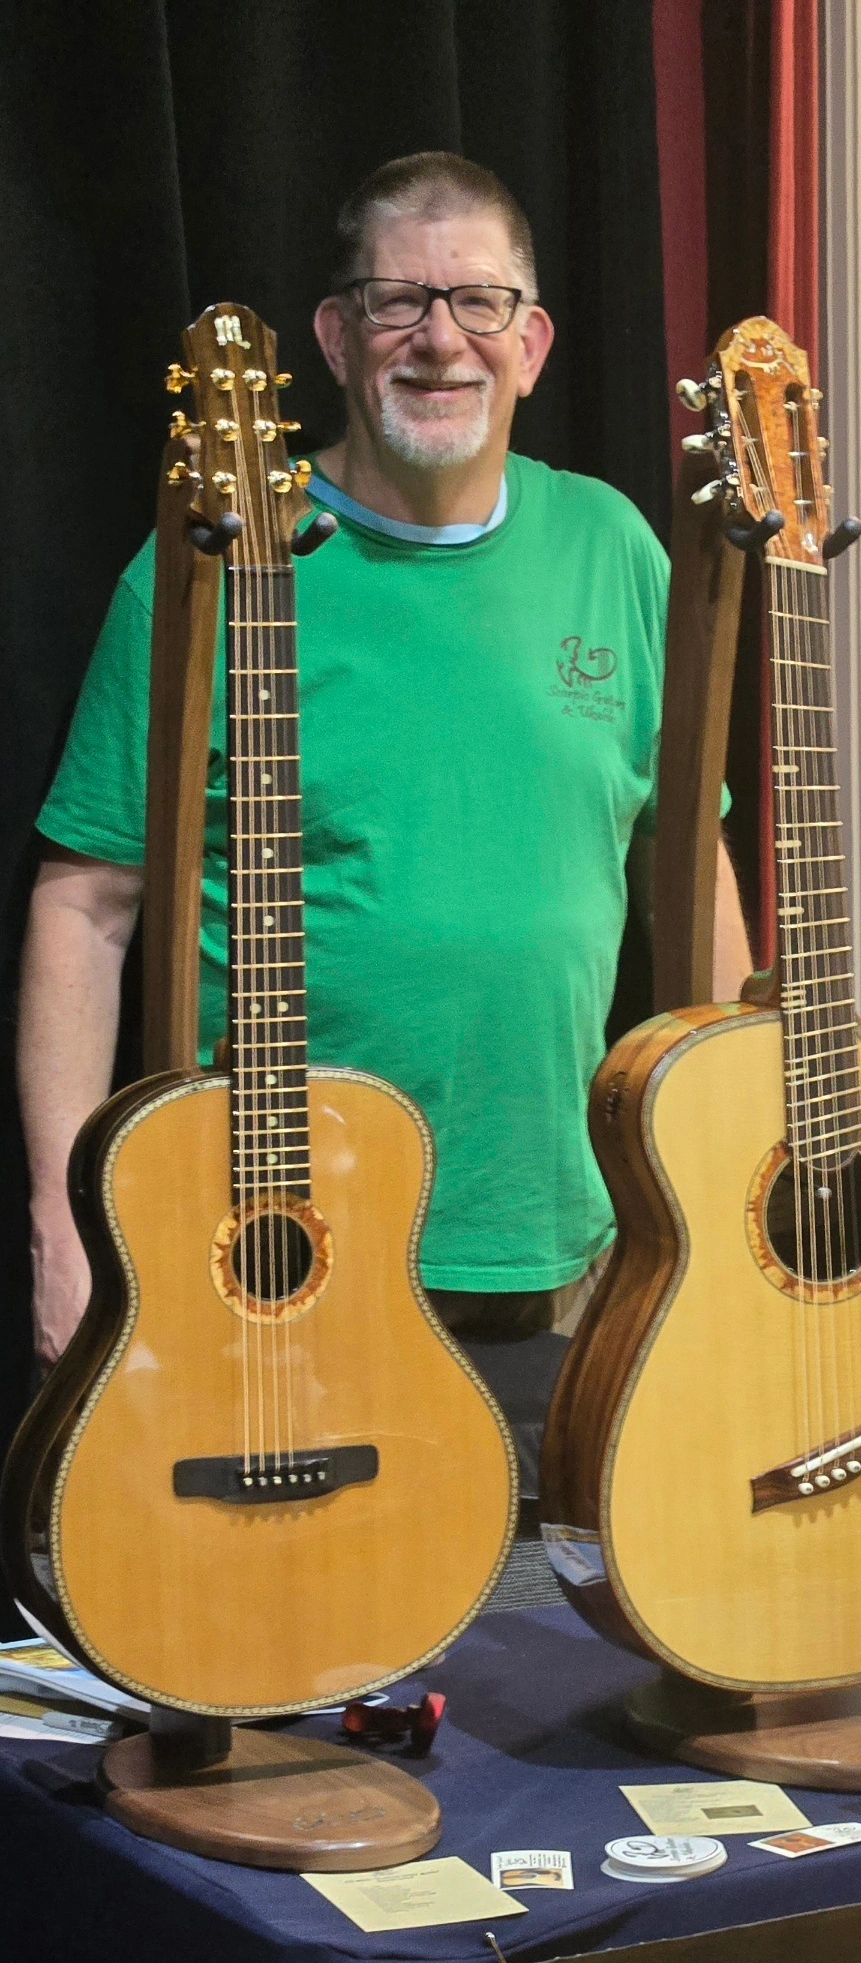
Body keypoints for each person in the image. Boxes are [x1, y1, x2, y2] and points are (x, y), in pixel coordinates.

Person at [20, 149, 752, 1392]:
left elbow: (691, 865)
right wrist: (59, 1228)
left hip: (569, 1254)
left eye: (478, 302)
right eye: (396, 300)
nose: (439, 339)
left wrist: (731, 1164)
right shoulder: (213, 569)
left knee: (552, 1586)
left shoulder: (613, 547)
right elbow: (87, 907)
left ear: (532, 343)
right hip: (259, 1255)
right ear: (336, 335)